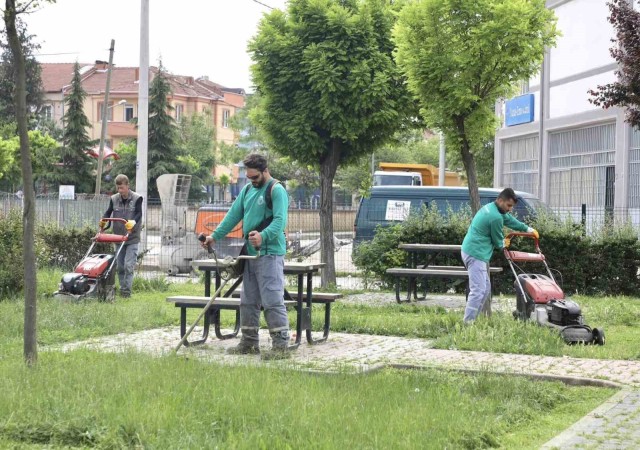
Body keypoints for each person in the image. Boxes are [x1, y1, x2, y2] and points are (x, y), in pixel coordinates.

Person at [201, 153, 291, 360]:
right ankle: (249, 342)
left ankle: (280, 346)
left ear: (265, 170)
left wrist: (263, 235)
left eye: (255, 177)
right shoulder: (248, 190)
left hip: (270, 254)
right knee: (248, 300)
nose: (252, 180)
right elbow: (233, 215)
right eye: (249, 177)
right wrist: (214, 236)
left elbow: (280, 221)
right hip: (249, 255)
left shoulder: (276, 190)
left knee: (272, 300)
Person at [461, 187, 538, 323]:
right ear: (500, 200)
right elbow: (498, 242)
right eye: (508, 205)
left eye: (512, 206)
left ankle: (471, 321)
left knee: (485, 289)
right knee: (478, 290)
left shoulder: (493, 208)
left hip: (474, 251)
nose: (510, 209)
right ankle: (467, 324)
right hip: (475, 254)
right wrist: (504, 243)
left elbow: (509, 220)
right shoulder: (495, 217)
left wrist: (527, 229)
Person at [100, 174, 142, 298]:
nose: (120, 191)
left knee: (129, 265)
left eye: (122, 188)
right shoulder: (114, 199)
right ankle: (122, 289)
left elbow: (139, 213)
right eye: (118, 188)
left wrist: (133, 221)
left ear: (127, 186)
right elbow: (108, 212)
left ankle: (126, 292)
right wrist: (104, 220)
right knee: (120, 266)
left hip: (132, 237)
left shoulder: (137, 198)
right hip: (118, 238)